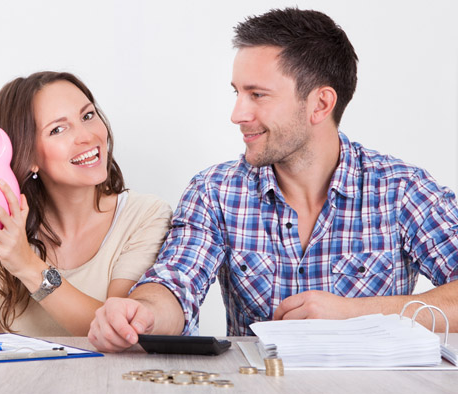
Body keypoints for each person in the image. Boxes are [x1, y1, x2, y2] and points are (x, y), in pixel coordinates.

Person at [88, 8, 458, 352]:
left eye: (257, 95)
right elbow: (176, 282)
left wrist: (355, 313)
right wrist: (143, 312)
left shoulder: (401, 190)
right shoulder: (215, 191)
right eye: (237, 92)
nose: (237, 114)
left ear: (320, 104)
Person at [0, 71, 172, 337]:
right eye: (58, 129)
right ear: (28, 154)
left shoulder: (145, 216)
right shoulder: (2, 223)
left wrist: (27, 265)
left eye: (88, 116)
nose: (87, 136)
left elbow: (119, 331)